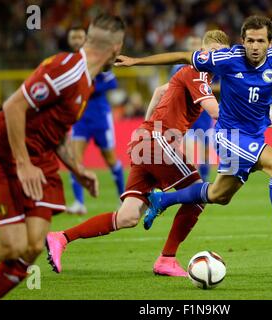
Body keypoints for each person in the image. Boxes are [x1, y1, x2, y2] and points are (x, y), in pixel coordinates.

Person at [115, 15, 272, 260]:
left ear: (271, 43)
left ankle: (163, 199)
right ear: (242, 41)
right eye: (250, 40)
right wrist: (136, 61)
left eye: (260, 41)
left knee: (219, 195)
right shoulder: (228, 58)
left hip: (253, 136)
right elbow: (181, 56)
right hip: (228, 135)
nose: (254, 46)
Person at [0, 14, 125, 299]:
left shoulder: (87, 82)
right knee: (11, 248)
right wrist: (23, 164)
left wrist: (76, 168)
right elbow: (13, 106)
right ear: (117, 48)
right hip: (6, 154)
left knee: (33, 246)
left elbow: (56, 133)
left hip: (41, 157)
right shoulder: (67, 70)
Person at [45, 30, 230, 277]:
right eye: (213, 52)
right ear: (203, 53)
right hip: (159, 140)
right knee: (199, 194)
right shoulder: (196, 73)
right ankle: (166, 258)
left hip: (149, 139)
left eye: (222, 54)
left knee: (128, 216)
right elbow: (215, 112)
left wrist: (146, 128)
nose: (217, 58)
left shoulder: (193, 75)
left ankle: (61, 237)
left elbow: (159, 92)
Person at [66, 26, 125, 215]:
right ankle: (79, 203)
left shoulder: (97, 59)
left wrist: (88, 85)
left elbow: (112, 82)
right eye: (73, 36)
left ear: (86, 39)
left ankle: (123, 198)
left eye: (79, 36)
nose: (76, 40)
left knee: (111, 160)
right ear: (69, 40)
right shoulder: (69, 62)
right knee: (74, 160)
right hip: (80, 117)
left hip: (100, 116)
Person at [171, 35, 214, 182]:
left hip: (204, 114)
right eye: (191, 44)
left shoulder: (210, 65)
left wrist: (203, 88)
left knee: (205, 151)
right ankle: (193, 183)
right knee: (189, 154)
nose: (194, 46)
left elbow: (222, 86)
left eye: (197, 43)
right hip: (187, 115)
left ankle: (205, 180)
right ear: (187, 47)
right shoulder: (179, 67)